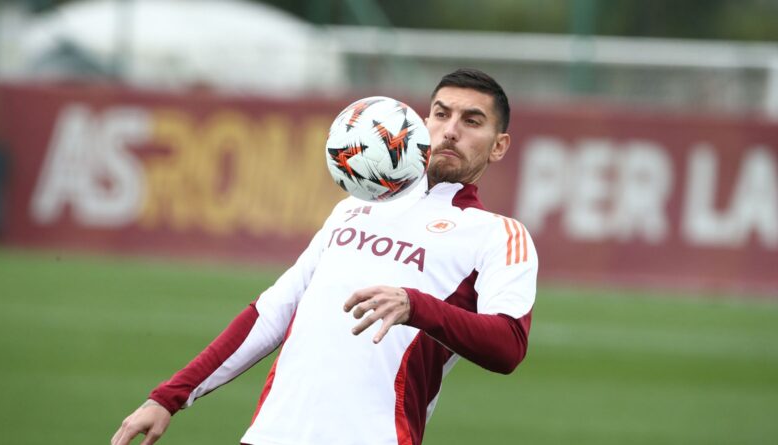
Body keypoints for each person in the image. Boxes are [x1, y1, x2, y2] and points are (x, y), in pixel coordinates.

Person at [111, 68, 538, 445]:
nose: (450, 130)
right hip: (270, 435)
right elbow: (272, 311)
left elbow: (508, 347)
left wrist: (415, 306)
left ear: (498, 146)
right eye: (441, 114)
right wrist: (169, 396)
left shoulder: (498, 235)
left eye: (472, 121)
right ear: (422, 123)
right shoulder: (354, 206)